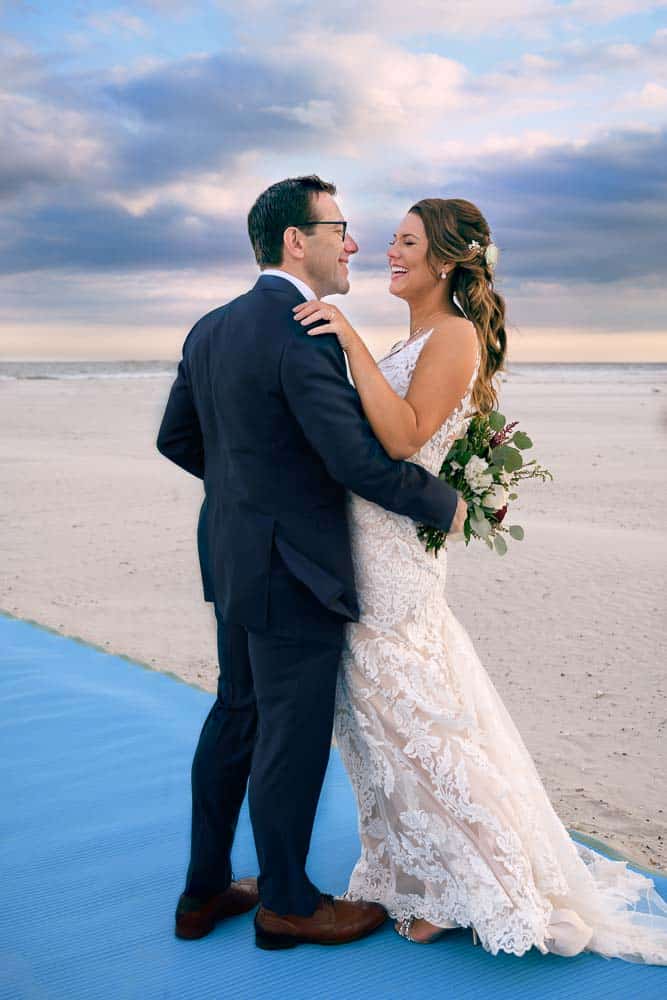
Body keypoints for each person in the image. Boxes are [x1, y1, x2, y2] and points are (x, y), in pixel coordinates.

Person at [295, 197, 667, 964]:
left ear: (446, 261)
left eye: (406, 244)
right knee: (377, 722)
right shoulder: (415, 335)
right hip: (366, 542)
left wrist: (352, 347)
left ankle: (471, 882)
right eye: (391, 242)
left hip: (396, 555)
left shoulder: (455, 334)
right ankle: (410, 867)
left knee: (420, 718)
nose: (389, 253)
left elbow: (401, 436)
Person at [156, 177, 466, 949]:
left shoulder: (211, 327)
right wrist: (445, 506)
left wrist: (251, 496)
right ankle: (287, 902)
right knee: (289, 732)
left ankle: (202, 893)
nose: (352, 243)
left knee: (235, 712)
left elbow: (179, 440)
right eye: (339, 228)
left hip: (230, 558)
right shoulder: (301, 331)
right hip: (296, 569)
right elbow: (359, 463)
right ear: (297, 240)